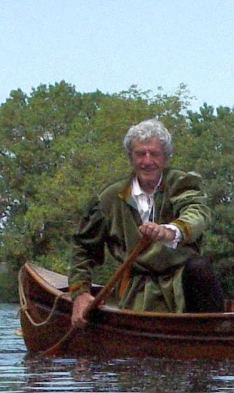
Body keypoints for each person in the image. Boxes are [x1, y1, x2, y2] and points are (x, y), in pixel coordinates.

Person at [68, 118, 224, 329]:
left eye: (154, 154)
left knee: (200, 268)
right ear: (131, 158)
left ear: (166, 158)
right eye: (140, 153)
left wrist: (170, 231)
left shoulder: (180, 183)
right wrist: (80, 293)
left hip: (181, 285)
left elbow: (196, 213)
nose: (147, 160)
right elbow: (83, 249)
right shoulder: (109, 198)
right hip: (134, 293)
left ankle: (212, 338)